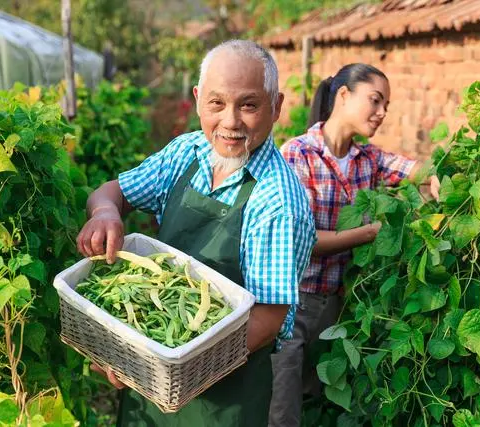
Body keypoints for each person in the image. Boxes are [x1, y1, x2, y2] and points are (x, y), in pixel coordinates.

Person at [75, 39, 316, 427]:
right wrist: (105, 213)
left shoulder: (277, 202)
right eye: (217, 103)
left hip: (221, 393)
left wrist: (173, 368)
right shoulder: (189, 152)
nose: (231, 121)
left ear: (276, 107)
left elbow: (268, 317)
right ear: (198, 99)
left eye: (249, 105)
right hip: (153, 369)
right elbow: (114, 191)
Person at [269, 63, 440, 427]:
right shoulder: (297, 154)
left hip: (336, 306)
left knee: (316, 402)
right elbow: (304, 240)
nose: (381, 114)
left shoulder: (369, 159)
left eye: (386, 106)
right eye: (375, 101)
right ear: (344, 95)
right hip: (289, 305)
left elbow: (413, 169)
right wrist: (370, 233)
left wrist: (435, 176)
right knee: (281, 411)